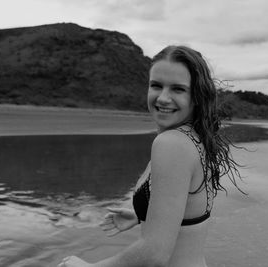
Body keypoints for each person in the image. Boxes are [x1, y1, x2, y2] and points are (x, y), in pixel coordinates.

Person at [58, 45, 241, 267]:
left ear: (197, 96)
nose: (163, 98)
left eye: (178, 89)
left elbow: (154, 253)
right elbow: (189, 206)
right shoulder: (195, 138)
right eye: (156, 85)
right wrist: (143, 215)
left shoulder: (171, 144)